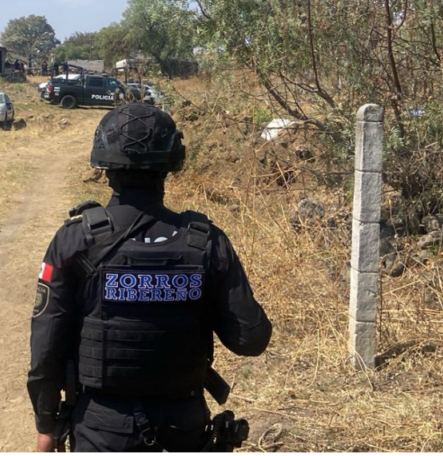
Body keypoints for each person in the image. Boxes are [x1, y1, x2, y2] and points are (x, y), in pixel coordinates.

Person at [28, 103, 272, 454]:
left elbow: (46, 347)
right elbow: (251, 339)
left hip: (100, 429)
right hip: (183, 428)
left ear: (103, 164)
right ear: (172, 162)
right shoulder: (207, 243)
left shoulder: (76, 240)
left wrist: (46, 426)